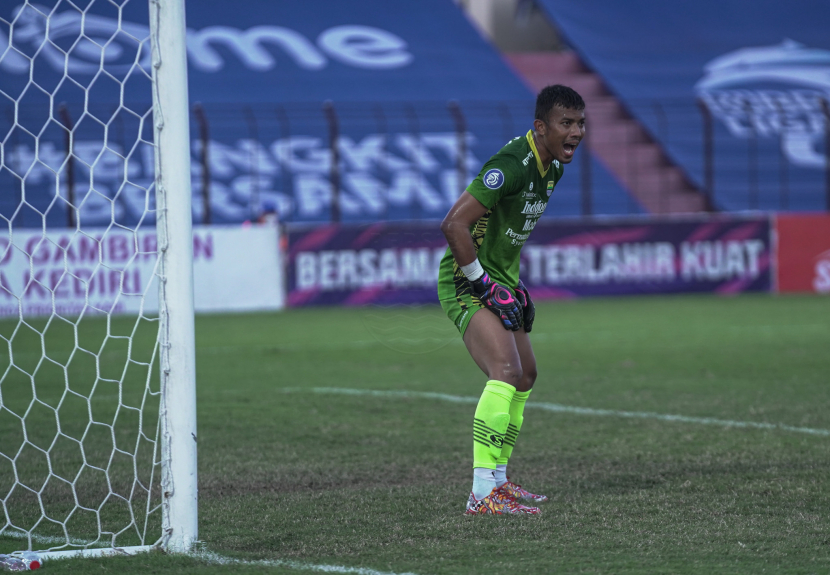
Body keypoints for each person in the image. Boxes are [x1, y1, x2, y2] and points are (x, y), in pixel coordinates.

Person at [437, 85, 585, 515]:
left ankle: (499, 480)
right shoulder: (513, 165)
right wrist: (483, 284)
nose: (575, 132)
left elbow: (506, 232)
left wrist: (512, 284)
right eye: (566, 123)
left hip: (498, 278)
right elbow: (453, 225)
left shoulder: (553, 166)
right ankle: (481, 493)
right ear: (540, 127)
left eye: (580, 123)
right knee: (505, 370)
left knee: (526, 375)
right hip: (466, 280)